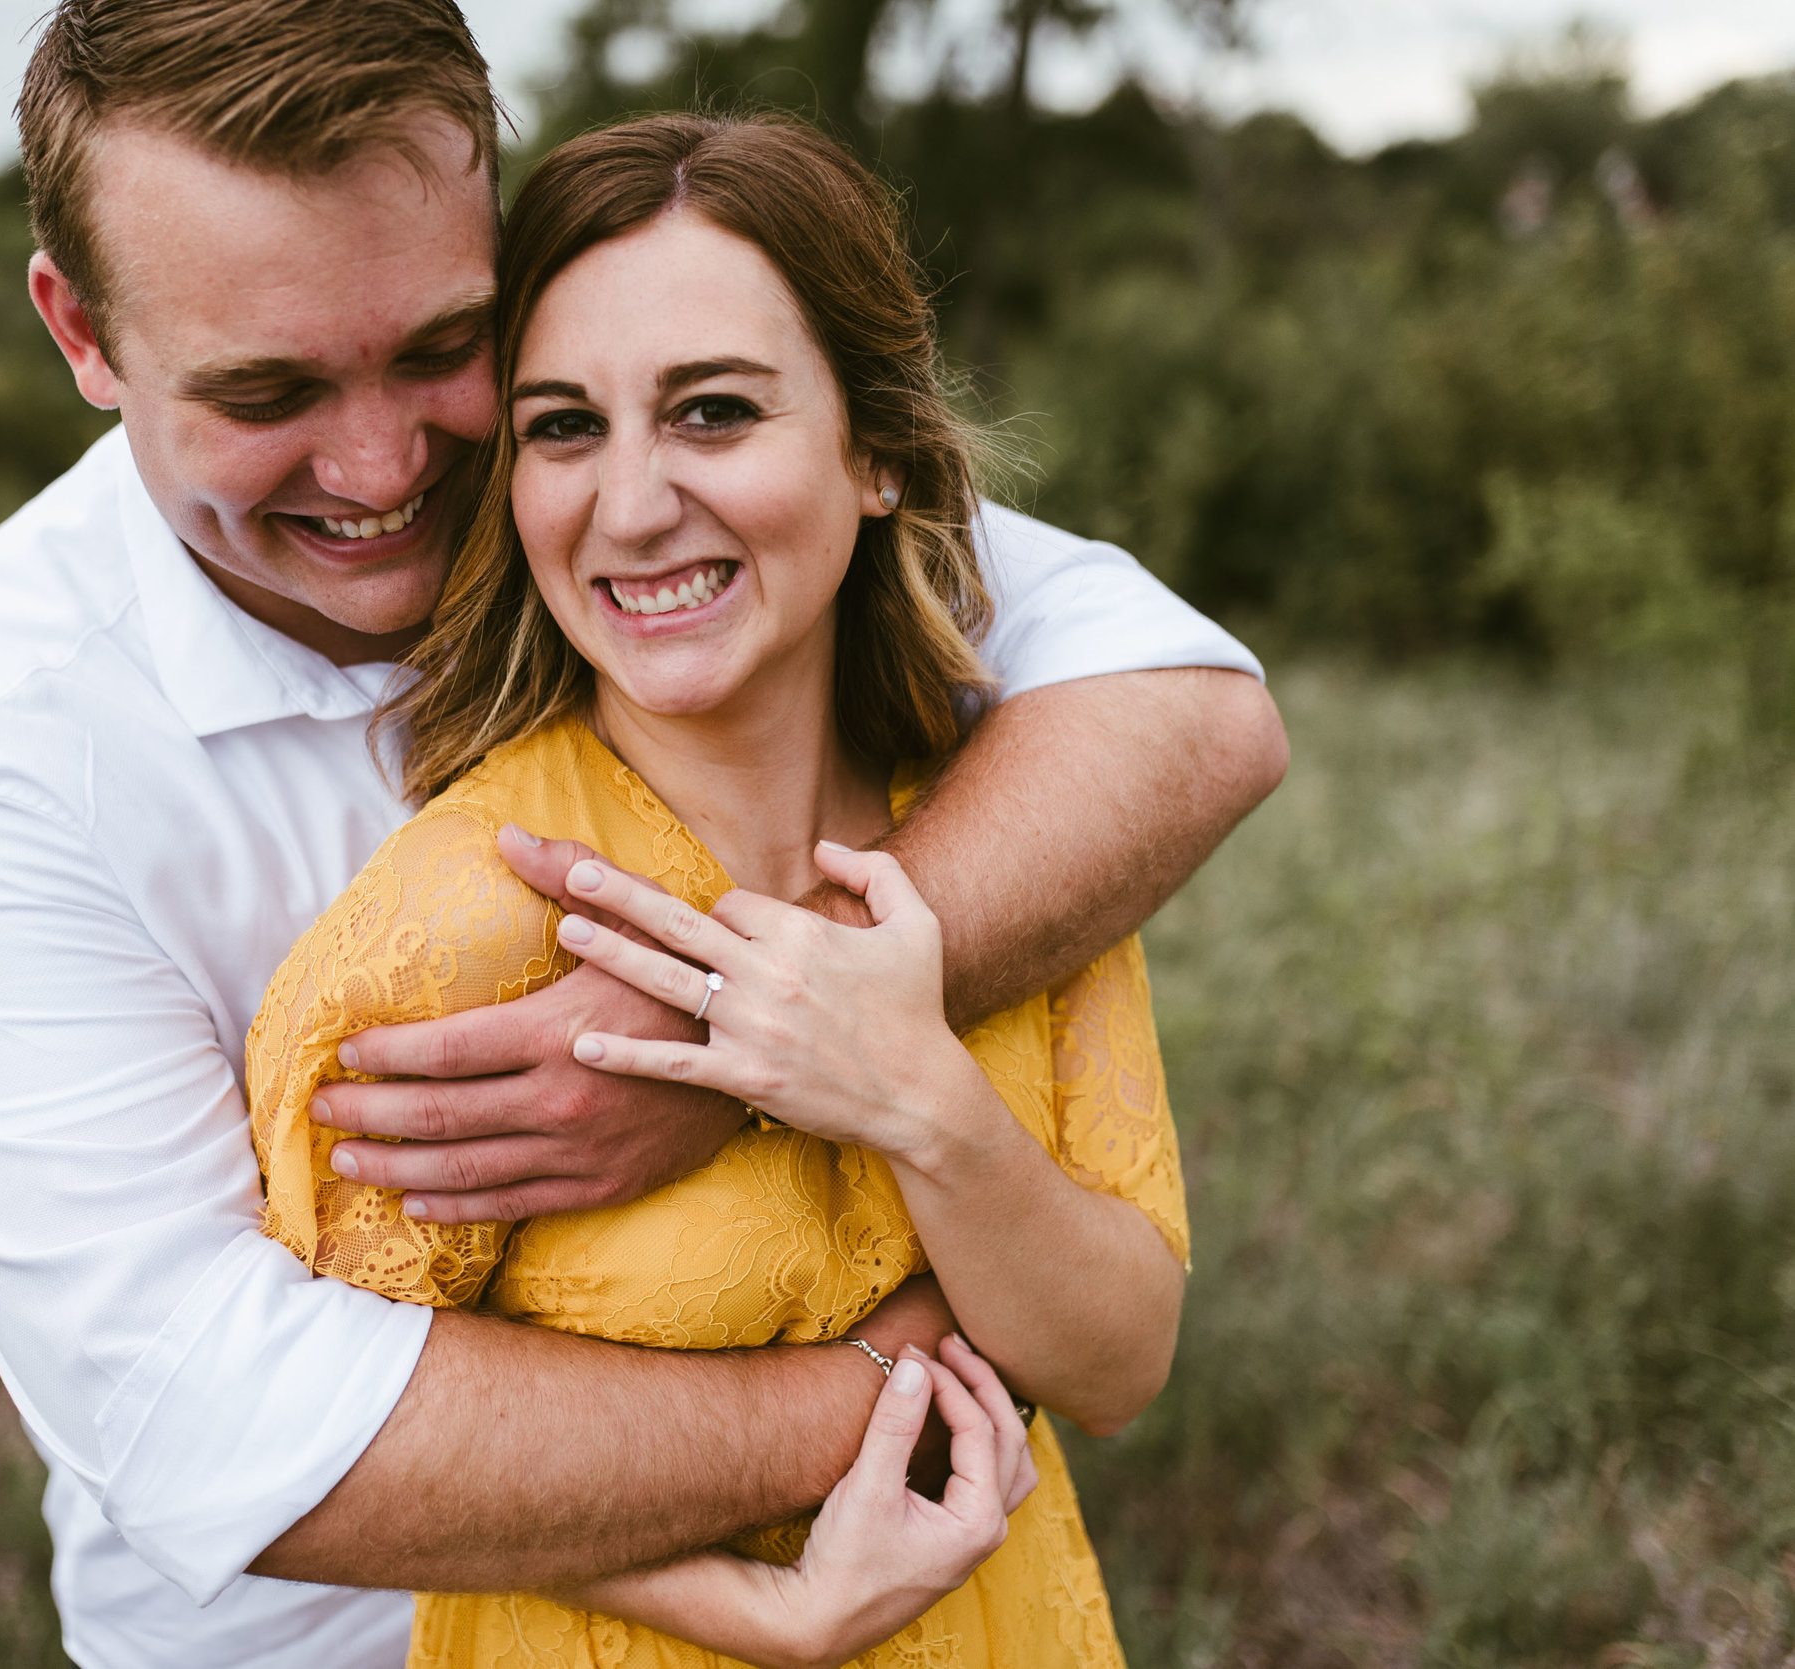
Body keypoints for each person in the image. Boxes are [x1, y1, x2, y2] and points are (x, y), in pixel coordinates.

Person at [0, 2, 1284, 1665]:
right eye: (268, 390)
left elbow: (1185, 707)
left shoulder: (618, 500)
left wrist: (726, 1029)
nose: (383, 469)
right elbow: (208, 1416)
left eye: (444, 347)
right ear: (80, 333)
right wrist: (878, 1399)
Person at [248, 110, 1187, 1669]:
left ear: (876, 449)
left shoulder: (1009, 827)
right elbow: (347, 1462)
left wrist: (911, 1091)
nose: (629, 506)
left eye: (713, 413)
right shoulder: (453, 930)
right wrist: (767, 1609)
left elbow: (1123, 1357)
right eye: (562, 426)